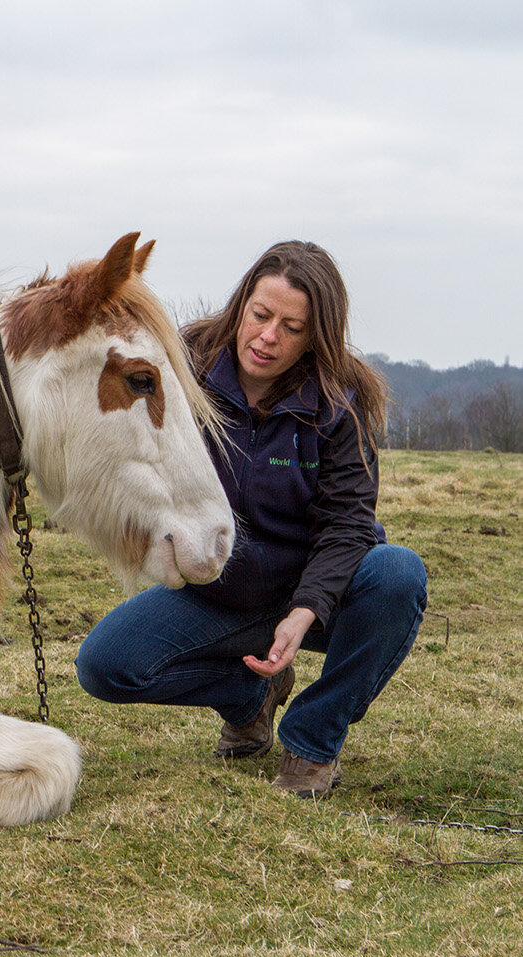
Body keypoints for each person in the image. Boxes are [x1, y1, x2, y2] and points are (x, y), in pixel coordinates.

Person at [74, 241, 428, 799]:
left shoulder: (341, 400)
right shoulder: (184, 364)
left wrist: (307, 608)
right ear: (242, 304)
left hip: (318, 594)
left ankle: (313, 740)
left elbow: (349, 525)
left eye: (292, 327)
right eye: (261, 316)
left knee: (398, 574)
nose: (268, 336)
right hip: (221, 589)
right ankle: (249, 696)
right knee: (105, 667)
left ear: (317, 336)